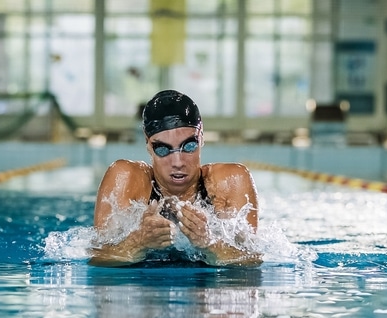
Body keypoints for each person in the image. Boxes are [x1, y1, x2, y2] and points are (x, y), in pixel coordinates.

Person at [89, 90, 261, 267]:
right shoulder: (127, 179)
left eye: (189, 146)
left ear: (201, 137)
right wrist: (137, 241)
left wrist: (210, 243)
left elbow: (251, 261)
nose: (178, 162)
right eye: (163, 149)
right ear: (148, 143)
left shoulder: (230, 182)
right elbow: (99, 259)